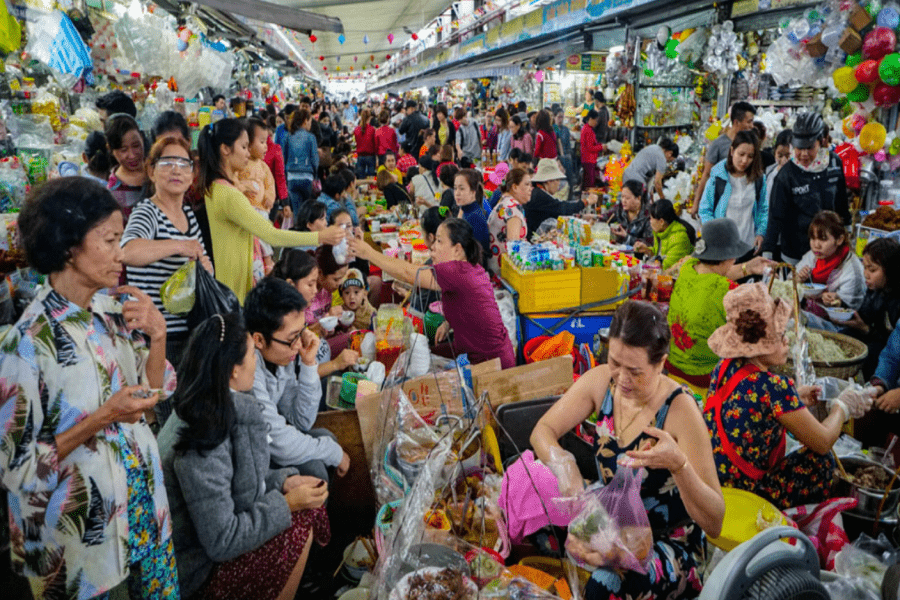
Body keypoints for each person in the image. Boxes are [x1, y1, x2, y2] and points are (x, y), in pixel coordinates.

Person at [2, 177, 178, 598]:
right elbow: (19, 470)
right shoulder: (27, 346)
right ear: (67, 246)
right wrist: (102, 418)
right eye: (109, 240)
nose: (121, 254)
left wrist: (158, 336)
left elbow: (153, 395)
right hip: (82, 550)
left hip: (143, 517)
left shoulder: (112, 310)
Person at [530, 301, 724, 600]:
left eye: (635, 371)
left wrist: (679, 465)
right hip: (612, 526)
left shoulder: (680, 410)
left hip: (667, 541)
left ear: (660, 364)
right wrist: (565, 465)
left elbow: (715, 521)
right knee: (538, 531)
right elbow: (543, 431)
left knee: (605, 584)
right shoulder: (600, 382)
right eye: (615, 363)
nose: (621, 379)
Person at [158, 313, 329, 600]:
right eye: (252, 354)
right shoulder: (202, 435)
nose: (257, 361)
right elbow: (221, 540)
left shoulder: (211, 403)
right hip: (194, 573)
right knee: (299, 524)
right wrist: (286, 504)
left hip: (208, 548)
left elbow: (239, 484)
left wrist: (282, 482)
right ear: (232, 370)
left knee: (306, 492)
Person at [705, 283, 873, 509]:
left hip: (715, 476)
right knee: (821, 461)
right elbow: (823, 442)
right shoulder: (774, 387)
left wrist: (795, 398)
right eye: (781, 335)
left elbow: (750, 404)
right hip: (746, 488)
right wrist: (841, 407)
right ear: (760, 346)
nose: (787, 341)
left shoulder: (724, 366)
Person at [198, 118, 343, 303]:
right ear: (225, 149)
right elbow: (271, 235)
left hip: (229, 282)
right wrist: (320, 237)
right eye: (243, 147)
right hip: (236, 289)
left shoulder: (215, 187)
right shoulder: (229, 195)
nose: (248, 152)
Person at [350, 218, 515, 368]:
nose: (433, 246)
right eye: (434, 240)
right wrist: (449, 323)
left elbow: (408, 273)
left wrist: (369, 253)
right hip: (475, 355)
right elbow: (470, 306)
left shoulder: (457, 271)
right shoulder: (469, 268)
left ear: (457, 249)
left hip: (492, 363)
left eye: (439, 241)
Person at [244, 278, 351, 482]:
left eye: (301, 332)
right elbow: (278, 441)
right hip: (248, 461)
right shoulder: (247, 370)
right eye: (292, 338)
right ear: (258, 340)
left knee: (326, 437)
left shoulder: (281, 357)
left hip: (265, 444)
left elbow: (300, 420)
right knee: (315, 471)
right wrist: (332, 453)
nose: (299, 344)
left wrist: (309, 364)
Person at [122, 135, 212, 371]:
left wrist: (205, 266)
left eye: (184, 164)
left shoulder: (188, 215)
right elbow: (128, 251)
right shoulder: (147, 212)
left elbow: (199, 258)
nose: (176, 170)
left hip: (190, 334)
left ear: (192, 174)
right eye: (167, 163)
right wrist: (180, 246)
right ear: (151, 171)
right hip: (156, 338)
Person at [666, 219, 773, 394]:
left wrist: (748, 268)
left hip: (673, 367)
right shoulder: (729, 291)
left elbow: (713, 275)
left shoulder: (688, 268)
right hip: (703, 377)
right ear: (730, 257)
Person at [763, 112, 850, 264]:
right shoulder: (786, 175)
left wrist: (848, 233)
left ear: (821, 142)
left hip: (829, 252)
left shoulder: (834, 164)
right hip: (795, 253)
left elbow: (842, 203)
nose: (803, 154)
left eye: (809, 148)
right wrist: (767, 253)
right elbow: (775, 217)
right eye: (799, 148)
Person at [271, 249, 360, 380]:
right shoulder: (284, 322)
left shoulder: (298, 312)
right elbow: (297, 377)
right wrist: (335, 364)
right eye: (310, 284)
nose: (315, 291)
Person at [698, 130, 768, 260]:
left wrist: (760, 233)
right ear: (732, 151)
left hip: (749, 246)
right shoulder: (718, 177)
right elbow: (705, 209)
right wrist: (715, 234)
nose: (744, 160)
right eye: (741, 154)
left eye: (750, 156)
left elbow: (764, 209)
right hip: (723, 248)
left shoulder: (759, 179)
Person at [842, 238, 900, 378]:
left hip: (889, 352)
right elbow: (865, 315)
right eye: (865, 268)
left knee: (872, 352)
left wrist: (866, 330)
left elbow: (893, 345)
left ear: (890, 271)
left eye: (872, 269)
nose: (865, 274)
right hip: (875, 337)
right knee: (845, 336)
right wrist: (840, 305)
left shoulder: (897, 301)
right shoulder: (875, 290)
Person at [796, 210, 865, 326]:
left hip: (838, 327)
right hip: (810, 316)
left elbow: (852, 308)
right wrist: (798, 279)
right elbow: (790, 282)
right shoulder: (813, 256)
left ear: (839, 239)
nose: (816, 245)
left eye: (823, 239)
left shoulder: (852, 268)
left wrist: (838, 301)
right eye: (813, 238)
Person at [690, 101, 757, 217]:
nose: (752, 126)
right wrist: (696, 203)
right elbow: (706, 174)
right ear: (736, 122)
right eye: (749, 122)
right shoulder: (719, 144)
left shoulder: (752, 144)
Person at [238, 118, 279, 279]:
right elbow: (234, 182)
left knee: (264, 234)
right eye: (261, 142)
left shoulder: (263, 166)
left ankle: (268, 260)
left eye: (266, 142)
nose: (265, 146)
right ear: (247, 143)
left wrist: (270, 196)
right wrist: (242, 186)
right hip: (246, 210)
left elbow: (270, 184)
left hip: (261, 209)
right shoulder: (241, 164)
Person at [525, 158, 596, 235]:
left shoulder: (538, 192)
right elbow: (562, 208)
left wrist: (581, 217)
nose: (559, 183)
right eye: (558, 180)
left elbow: (557, 210)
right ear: (549, 181)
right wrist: (586, 202)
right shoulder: (539, 195)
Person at [488, 167, 532, 273]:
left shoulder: (504, 202)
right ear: (515, 187)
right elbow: (514, 247)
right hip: (503, 272)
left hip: (494, 266)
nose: (531, 188)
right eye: (527, 184)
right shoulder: (513, 208)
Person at [106, 113, 148, 222]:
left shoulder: (156, 169)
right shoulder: (114, 193)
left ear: (142, 138)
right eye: (123, 150)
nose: (132, 155)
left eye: (136, 146)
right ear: (111, 150)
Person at [635, 199, 696, 269]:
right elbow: (659, 254)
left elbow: (665, 267)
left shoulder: (679, 238)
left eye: (651, 218)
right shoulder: (661, 232)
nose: (650, 221)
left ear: (661, 221)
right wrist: (648, 251)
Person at [282, 108, 319, 215]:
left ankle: (298, 229)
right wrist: (316, 176)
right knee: (308, 212)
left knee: (297, 212)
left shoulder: (288, 136)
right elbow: (315, 160)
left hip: (292, 178)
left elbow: (283, 157)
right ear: (305, 121)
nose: (310, 124)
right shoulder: (310, 137)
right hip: (307, 177)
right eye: (310, 121)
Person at [453, 168, 492, 258]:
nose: (457, 193)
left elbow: (475, 255)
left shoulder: (474, 217)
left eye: (462, 189)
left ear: (473, 191)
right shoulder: (467, 210)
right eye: (455, 188)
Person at [601, 180, 652, 247]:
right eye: (622, 197)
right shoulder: (620, 209)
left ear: (638, 198)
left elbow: (649, 244)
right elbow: (604, 217)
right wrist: (595, 219)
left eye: (627, 198)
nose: (623, 201)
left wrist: (627, 237)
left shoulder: (648, 215)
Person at [765, 129, 792, 209]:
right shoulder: (769, 173)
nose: (783, 160)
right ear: (774, 152)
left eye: (788, 156)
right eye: (780, 155)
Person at [580, 111, 604, 189]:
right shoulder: (588, 130)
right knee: (589, 185)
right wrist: (602, 147)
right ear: (590, 119)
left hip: (588, 160)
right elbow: (590, 148)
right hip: (588, 160)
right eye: (596, 120)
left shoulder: (588, 128)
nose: (596, 122)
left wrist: (600, 145)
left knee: (588, 183)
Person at [553, 108, 575, 188]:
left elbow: (568, 145)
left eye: (562, 117)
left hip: (566, 157)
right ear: (554, 117)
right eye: (559, 117)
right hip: (557, 158)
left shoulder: (565, 129)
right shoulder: (553, 128)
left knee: (569, 178)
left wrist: (568, 155)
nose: (560, 119)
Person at [354, 109, 378, 178]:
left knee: (361, 180)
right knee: (371, 178)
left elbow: (356, 142)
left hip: (360, 156)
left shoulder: (356, 129)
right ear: (370, 118)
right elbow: (375, 144)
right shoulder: (372, 129)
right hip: (370, 156)